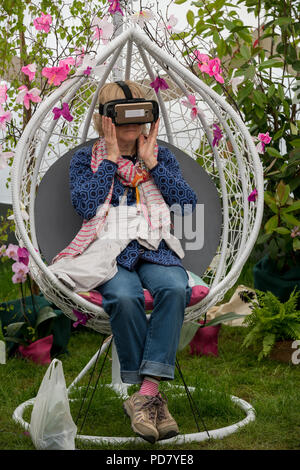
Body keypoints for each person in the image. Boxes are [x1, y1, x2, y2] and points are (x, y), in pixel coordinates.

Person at [51, 80, 197, 443]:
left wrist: (152, 164)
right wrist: (112, 160)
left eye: (139, 114)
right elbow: (86, 206)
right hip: (110, 251)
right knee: (125, 296)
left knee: (174, 285)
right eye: (122, 115)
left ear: (149, 117)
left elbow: (188, 204)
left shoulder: (160, 156)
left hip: (153, 246)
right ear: (106, 120)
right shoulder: (86, 160)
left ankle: (144, 396)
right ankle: (151, 399)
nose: (132, 124)